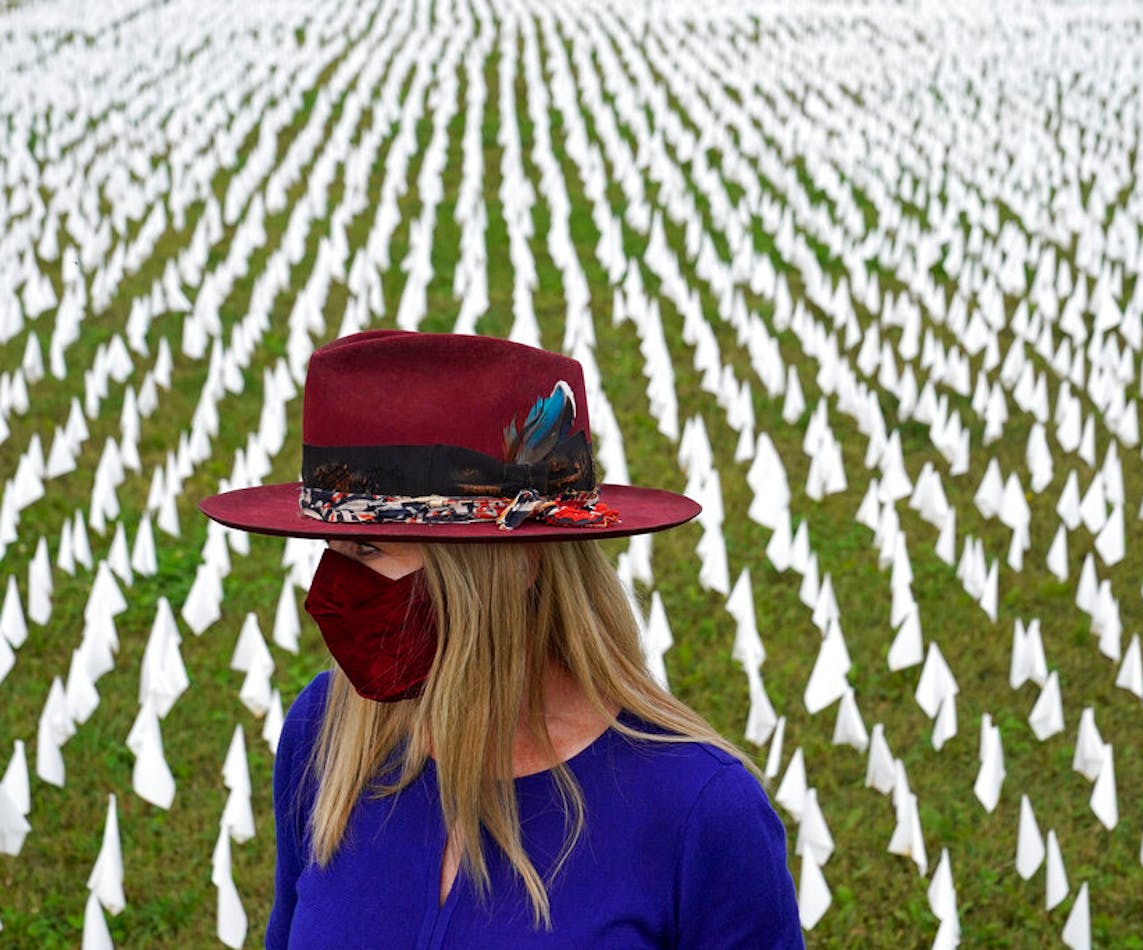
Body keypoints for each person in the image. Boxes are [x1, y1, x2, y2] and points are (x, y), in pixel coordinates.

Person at [199, 330, 804, 948]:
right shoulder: (326, 733)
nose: (328, 592)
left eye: (367, 549)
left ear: (511, 567)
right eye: (329, 549)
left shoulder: (700, 813)